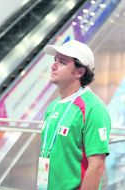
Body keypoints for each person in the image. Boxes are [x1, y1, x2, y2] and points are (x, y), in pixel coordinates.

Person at [37, 40, 111, 190]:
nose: (53, 65)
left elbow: (96, 166)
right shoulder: (53, 107)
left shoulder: (93, 109)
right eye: (55, 60)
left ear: (80, 72)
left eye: (62, 62)